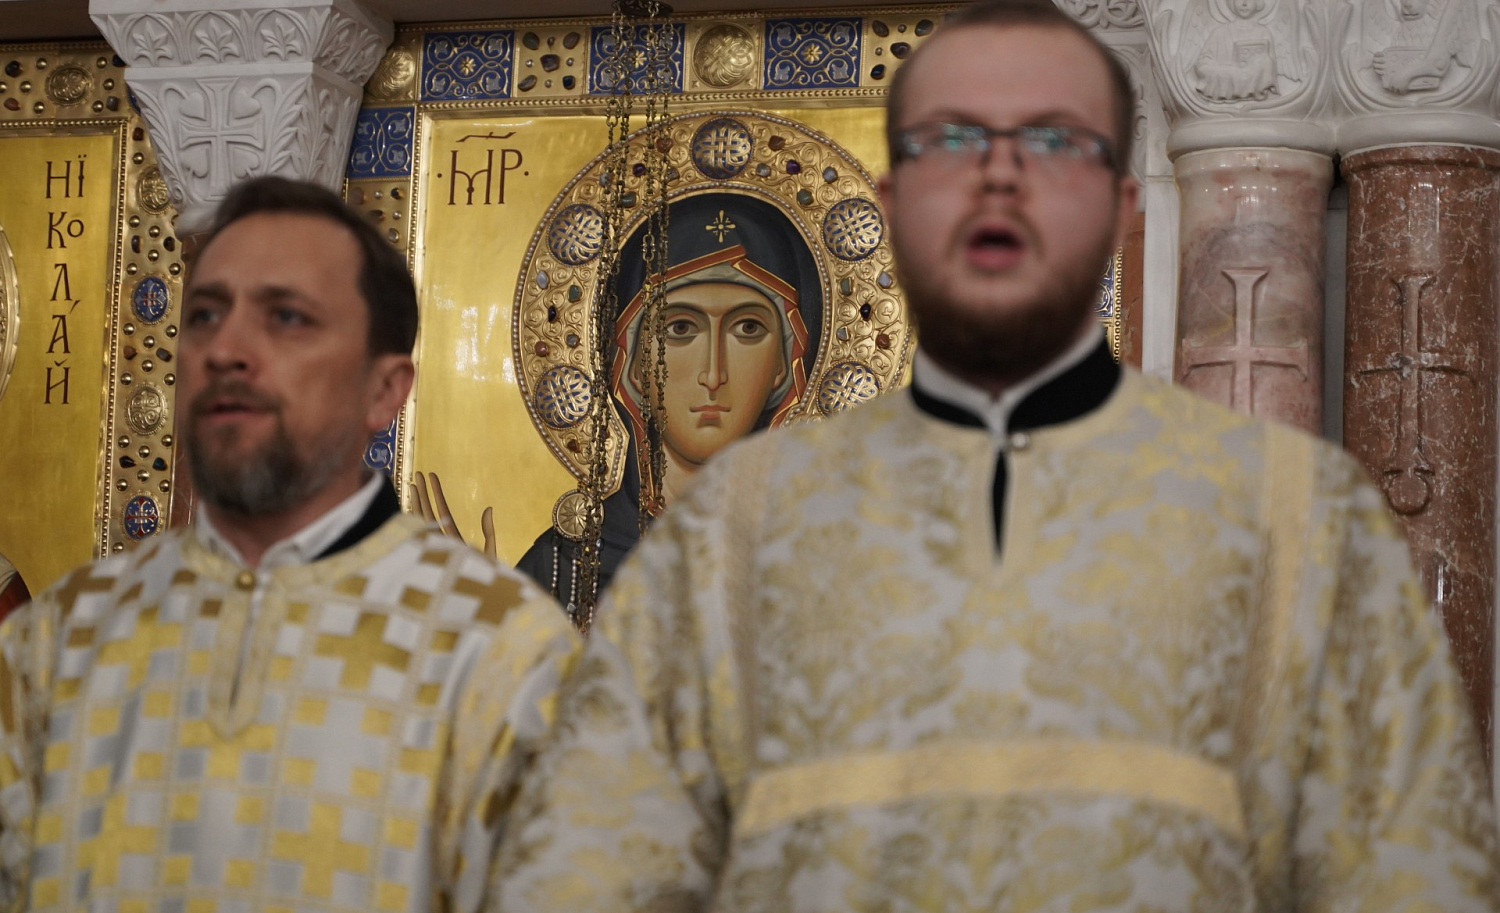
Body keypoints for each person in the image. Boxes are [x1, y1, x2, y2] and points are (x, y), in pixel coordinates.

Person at [491, 1, 1500, 910]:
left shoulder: (1296, 517)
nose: (1001, 176)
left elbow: (1408, 874)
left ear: (1121, 206)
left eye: (1055, 141)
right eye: (953, 141)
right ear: (894, 206)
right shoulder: (726, 536)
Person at [0, 177, 586, 912]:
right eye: (205, 315)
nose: (226, 350)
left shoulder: (501, 648)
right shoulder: (65, 633)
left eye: (286, 317)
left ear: (384, 390)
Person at [514, 192, 816, 612]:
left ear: (784, 364)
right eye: (679, 328)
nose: (713, 374)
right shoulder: (559, 571)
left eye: (747, 328)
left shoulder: (824, 564)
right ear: (632, 365)